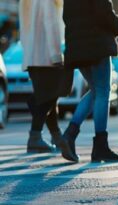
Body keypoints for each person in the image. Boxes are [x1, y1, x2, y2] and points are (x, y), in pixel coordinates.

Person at [61, 0, 118, 163]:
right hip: (97, 44)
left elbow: (66, 17)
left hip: (78, 47)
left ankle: (70, 135)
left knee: (97, 91)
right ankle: (100, 147)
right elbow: (103, 11)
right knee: (103, 92)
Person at [19, 0, 73, 155]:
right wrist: (56, 55)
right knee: (47, 98)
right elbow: (51, 25)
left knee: (48, 98)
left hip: (32, 56)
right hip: (46, 57)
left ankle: (56, 137)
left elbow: (24, 28)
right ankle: (36, 136)